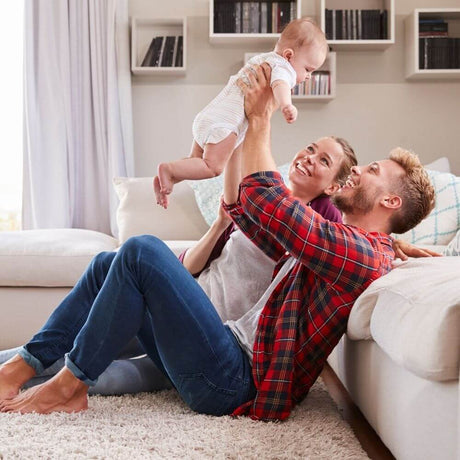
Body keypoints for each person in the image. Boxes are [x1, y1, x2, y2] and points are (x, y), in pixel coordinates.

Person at [0, 63, 435, 420]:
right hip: (220, 349)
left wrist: (263, 116)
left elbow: (276, 208)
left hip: (233, 380)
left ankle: (68, 386)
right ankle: (22, 367)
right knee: (105, 264)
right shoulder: (354, 245)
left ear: (390, 200)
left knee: (141, 251)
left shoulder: (360, 252)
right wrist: (243, 119)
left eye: (372, 171)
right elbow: (252, 207)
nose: (360, 172)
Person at [0, 134, 356, 396]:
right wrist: (220, 224)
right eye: (310, 148)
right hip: (182, 309)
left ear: (334, 186)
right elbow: (190, 268)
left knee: (112, 371)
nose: (309, 157)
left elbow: (348, 235)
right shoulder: (260, 200)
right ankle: (15, 367)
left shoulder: (312, 228)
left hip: (211, 339)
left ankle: (53, 383)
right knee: (104, 270)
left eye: (323, 160)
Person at [153, 17, 328, 208]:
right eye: (308, 69)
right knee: (212, 168)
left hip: (209, 117)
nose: (309, 76)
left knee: (195, 162)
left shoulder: (261, 59)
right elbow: (280, 84)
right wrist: (287, 104)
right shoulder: (282, 67)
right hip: (224, 125)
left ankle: (166, 178)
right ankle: (169, 169)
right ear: (288, 55)